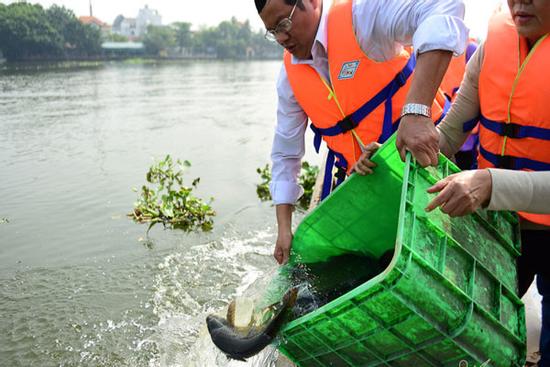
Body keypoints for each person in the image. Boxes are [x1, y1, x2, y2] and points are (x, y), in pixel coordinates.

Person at [254, 0, 469, 265]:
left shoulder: (363, 17)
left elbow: (442, 6)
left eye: (284, 23)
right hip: (367, 182)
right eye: (272, 30)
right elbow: (285, 152)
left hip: (426, 160)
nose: (281, 37)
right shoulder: (289, 77)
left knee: (445, 258)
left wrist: (417, 110)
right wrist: (284, 229)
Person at [401, 1, 550, 364]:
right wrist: (401, 156)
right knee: (464, 338)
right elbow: (449, 134)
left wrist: (490, 184)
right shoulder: (492, 48)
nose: (520, 3)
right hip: (503, 228)